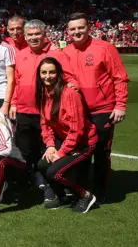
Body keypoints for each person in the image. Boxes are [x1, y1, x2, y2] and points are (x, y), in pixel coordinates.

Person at [63, 12, 129, 203]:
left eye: (81, 27)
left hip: (103, 109)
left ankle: (100, 191)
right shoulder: (66, 52)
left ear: (88, 28)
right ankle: (81, 188)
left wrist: (120, 105)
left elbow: (120, 77)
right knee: (81, 150)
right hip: (78, 111)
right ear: (68, 31)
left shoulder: (105, 48)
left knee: (101, 151)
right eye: (73, 28)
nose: (77, 31)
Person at [9, 19, 78, 200]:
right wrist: (14, 103)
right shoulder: (20, 54)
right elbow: (17, 82)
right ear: (25, 36)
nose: (33, 38)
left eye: (37, 34)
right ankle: (25, 185)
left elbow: (69, 79)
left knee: (45, 151)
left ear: (45, 34)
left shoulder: (57, 54)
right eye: (30, 35)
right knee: (24, 152)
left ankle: (49, 186)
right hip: (23, 111)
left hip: (46, 114)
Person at [35, 57, 98, 213]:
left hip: (84, 143)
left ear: (58, 74)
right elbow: (45, 124)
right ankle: (63, 198)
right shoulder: (44, 92)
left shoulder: (70, 93)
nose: (47, 76)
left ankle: (85, 195)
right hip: (64, 140)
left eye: (51, 72)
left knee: (54, 172)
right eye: (43, 72)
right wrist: (50, 146)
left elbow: (77, 129)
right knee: (42, 165)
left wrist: (61, 153)